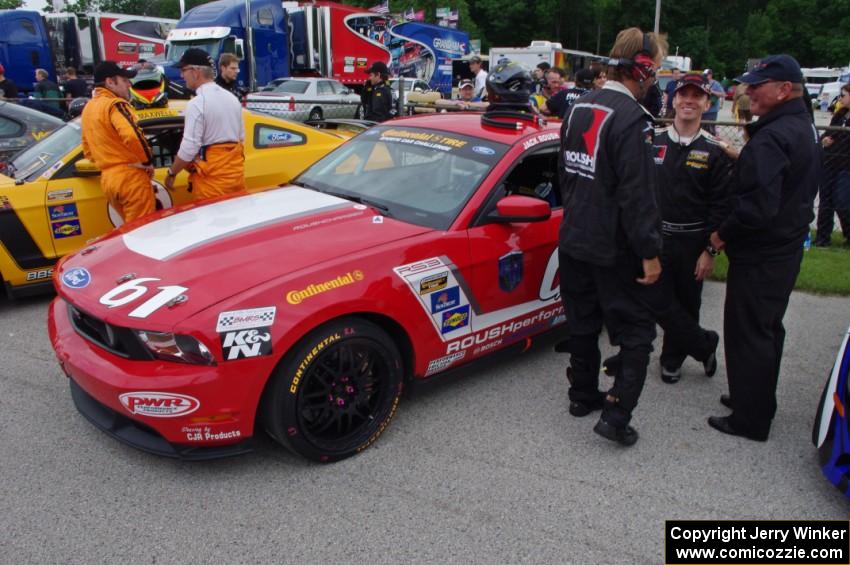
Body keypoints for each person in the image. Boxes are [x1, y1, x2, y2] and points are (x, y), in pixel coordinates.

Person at [557, 27, 667, 446]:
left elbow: (566, 175)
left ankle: (582, 394)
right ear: (641, 69)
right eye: (654, 71)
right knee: (638, 330)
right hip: (612, 246)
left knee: (582, 320)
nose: (654, 80)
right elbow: (638, 195)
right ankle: (617, 415)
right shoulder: (633, 119)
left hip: (574, 238)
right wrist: (650, 252)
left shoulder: (577, 107)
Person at [708, 54, 822, 441]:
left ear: (784, 89)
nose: (748, 91)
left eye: (758, 85)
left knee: (750, 333)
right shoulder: (800, 125)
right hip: (785, 247)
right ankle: (753, 399)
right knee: (768, 329)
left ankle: (750, 420)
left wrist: (719, 236)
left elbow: (755, 209)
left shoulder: (773, 135)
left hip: (762, 253)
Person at [164, 48, 246, 200]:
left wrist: (172, 173)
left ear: (195, 72)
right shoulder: (232, 98)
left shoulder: (197, 103)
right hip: (235, 179)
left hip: (212, 185)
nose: (182, 75)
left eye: (183, 70)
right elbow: (241, 138)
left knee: (213, 223)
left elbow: (189, 148)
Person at [80, 61, 155, 223]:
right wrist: (147, 161)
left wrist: (110, 163)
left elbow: (87, 151)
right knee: (144, 231)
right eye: (124, 80)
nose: (129, 84)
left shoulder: (88, 108)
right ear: (110, 82)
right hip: (130, 177)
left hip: (108, 180)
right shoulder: (115, 105)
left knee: (131, 231)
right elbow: (133, 136)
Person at [815, 83, 850, 247]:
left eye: (843, 95)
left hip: (846, 165)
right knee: (825, 200)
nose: (840, 99)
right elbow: (828, 133)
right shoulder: (839, 115)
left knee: (842, 201)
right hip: (830, 162)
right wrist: (825, 139)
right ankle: (822, 238)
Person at [701, 69, 726, 133]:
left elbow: (723, 94)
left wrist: (712, 91)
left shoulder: (716, 84)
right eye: (704, 75)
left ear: (710, 75)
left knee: (710, 130)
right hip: (702, 111)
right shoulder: (702, 82)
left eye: (706, 75)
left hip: (711, 112)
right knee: (700, 129)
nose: (704, 77)